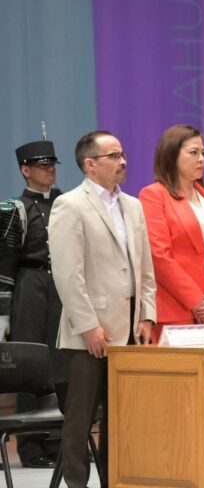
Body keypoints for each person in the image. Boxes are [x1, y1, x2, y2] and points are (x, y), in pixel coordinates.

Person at [49, 130, 156, 488]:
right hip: (90, 333)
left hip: (129, 330)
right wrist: (88, 326)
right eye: (113, 156)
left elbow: (144, 267)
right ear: (90, 164)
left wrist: (147, 315)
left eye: (122, 154)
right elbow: (68, 273)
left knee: (120, 417)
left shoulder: (133, 205)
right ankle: (77, 483)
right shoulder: (70, 205)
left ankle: (116, 480)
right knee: (80, 419)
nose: (123, 161)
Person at [139, 125, 204, 341]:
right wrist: (195, 300)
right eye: (193, 153)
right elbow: (159, 255)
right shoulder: (154, 195)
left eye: (203, 153)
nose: (201, 159)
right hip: (175, 308)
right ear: (172, 155)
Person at [0, 139, 63, 468]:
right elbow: (5, 263)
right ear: (25, 170)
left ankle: (57, 442)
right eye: (42, 165)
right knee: (31, 367)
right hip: (30, 286)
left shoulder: (66, 203)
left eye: (52, 164)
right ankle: (30, 446)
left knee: (60, 364)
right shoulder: (14, 209)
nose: (49, 169)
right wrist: (3, 313)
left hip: (61, 287)